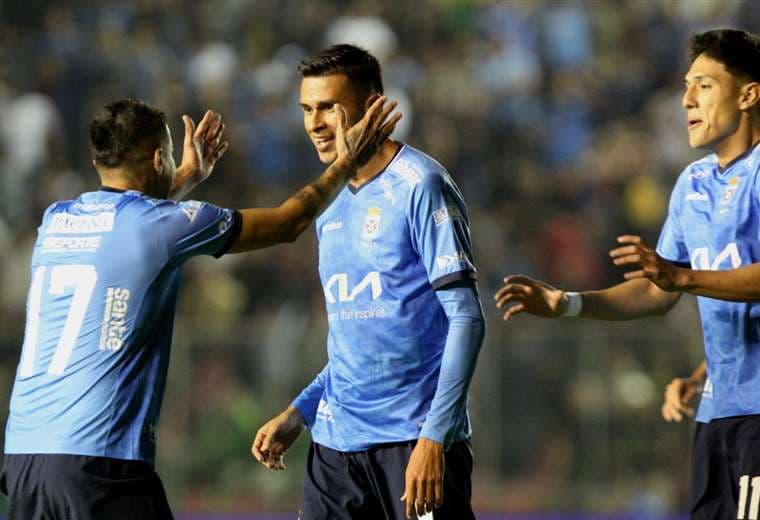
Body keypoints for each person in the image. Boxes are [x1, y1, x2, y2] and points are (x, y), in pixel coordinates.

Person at [1, 96, 399, 520]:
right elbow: (288, 223)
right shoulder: (161, 226)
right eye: (171, 155)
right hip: (99, 464)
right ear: (157, 159)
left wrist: (187, 175)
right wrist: (346, 161)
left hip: (24, 460)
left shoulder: (56, 221)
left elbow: (127, 225)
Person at [493, 29, 760, 519]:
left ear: (748, 94)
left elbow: (679, 281)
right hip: (718, 411)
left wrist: (682, 279)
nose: (686, 100)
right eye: (685, 86)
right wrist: (568, 303)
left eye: (703, 85)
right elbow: (657, 292)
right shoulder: (692, 183)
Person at [250, 44, 485, 520]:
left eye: (329, 108)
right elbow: (356, 342)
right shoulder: (328, 202)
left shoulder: (421, 185)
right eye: (307, 110)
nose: (315, 123)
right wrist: (301, 412)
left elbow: (467, 317)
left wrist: (434, 438)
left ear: (373, 105)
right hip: (335, 450)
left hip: (412, 446)